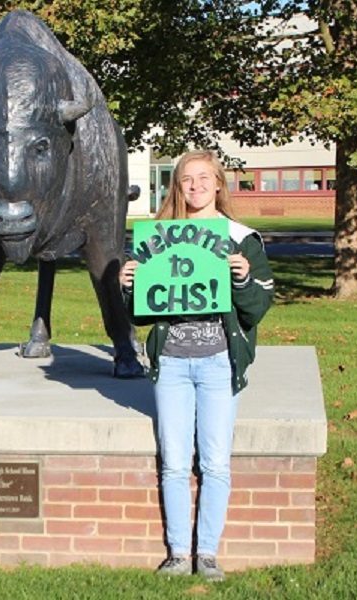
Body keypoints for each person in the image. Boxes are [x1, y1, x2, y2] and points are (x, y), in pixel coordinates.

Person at [119, 150, 274, 581]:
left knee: (215, 462)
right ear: (177, 186)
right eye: (187, 179)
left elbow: (258, 309)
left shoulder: (242, 239)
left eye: (204, 178)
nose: (196, 186)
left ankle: (206, 552)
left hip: (219, 364)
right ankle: (177, 553)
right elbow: (142, 315)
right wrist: (128, 288)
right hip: (170, 365)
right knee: (172, 461)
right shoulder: (157, 238)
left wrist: (241, 279)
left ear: (219, 184)